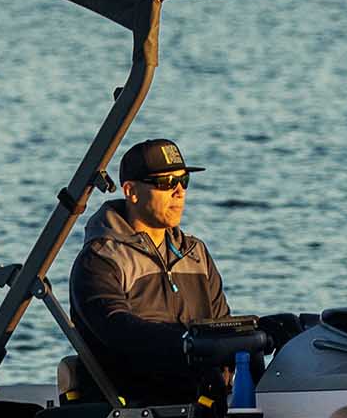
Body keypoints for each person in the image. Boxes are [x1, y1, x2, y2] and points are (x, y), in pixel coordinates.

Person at [70, 136, 253, 404]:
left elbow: (220, 325)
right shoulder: (99, 259)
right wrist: (189, 343)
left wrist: (256, 332)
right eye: (165, 183)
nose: (179, 191)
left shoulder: (196, 253)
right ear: (131, 191)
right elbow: (119, 332)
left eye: (183, 181)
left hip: (200, 401)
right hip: (135, 412)